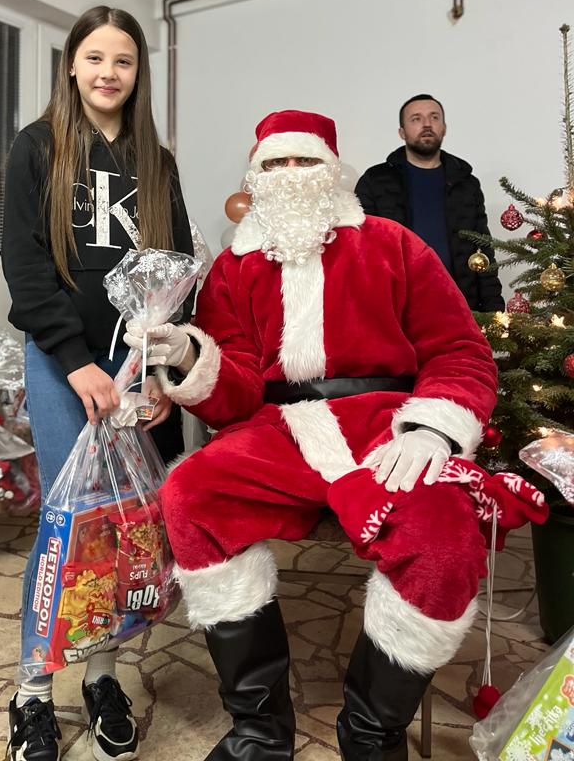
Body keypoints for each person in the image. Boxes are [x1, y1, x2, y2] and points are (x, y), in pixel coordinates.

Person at [128, 110, 545, 761]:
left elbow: (461, 352)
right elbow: (233, 393)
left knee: (444, 536)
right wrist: (187, 355)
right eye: (275, 163)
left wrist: (433, 427)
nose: (291, 176)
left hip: (390, 428)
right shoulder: (234, 271)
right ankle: (259, 732)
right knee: (189, 493)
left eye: (304, 161)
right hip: (279, 431)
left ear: (333, 169)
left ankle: (371, 731)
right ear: (255, 176)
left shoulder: (394, 245)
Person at [1, 5, 194, 761]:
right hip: (63, 365)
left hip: (132, 370)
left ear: (138, 72)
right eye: (95, 58)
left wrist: (151, 373)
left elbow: (174, 272)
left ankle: (102, 674)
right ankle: (32, 690)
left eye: (124, 60)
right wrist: (77, 362)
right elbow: (24, 264)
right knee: (67, 522)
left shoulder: (159, 159)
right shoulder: (38, 146)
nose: (109, 72)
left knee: (125, 523)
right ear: (72, 66)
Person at [355, 94, 504, 310]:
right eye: (416, 118)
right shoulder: (375, 181)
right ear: (402, 132)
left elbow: (483, 249)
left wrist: (494, 312)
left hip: (459, 305)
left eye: (434, 117)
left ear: (444, 127)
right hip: (397, 307)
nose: (426, 124)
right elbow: (361, 251)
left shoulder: (466, 183)